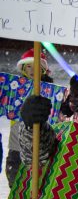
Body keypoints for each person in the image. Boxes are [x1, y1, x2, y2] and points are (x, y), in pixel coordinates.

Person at [6, 49, 54, 189]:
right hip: (17, 140)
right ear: (23, 68)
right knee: (16, 178)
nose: (33, 69)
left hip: (42, 143)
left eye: (37, 65)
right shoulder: (14, 87)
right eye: (28, 66)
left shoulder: (51, 90)